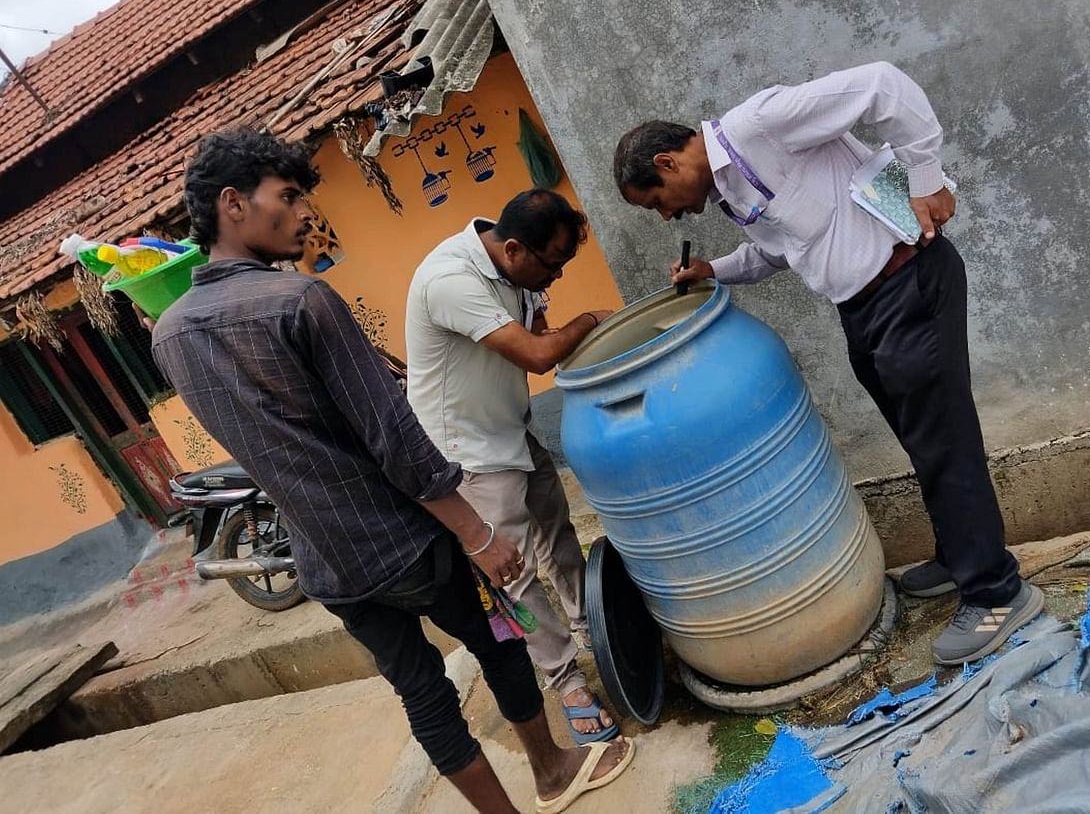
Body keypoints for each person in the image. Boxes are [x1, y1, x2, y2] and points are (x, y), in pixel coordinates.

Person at [152, 128, 632, 814]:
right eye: (285, 198)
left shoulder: (169, 334)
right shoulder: (300, 301)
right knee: (498, 639)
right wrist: (477, 536)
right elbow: (393, 436)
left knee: (422, 694)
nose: (304, 215)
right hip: (408, 544)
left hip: (327, 562)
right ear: (233, 204)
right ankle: (553, 770)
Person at [612, 61, 1043, 665]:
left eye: (656, 202)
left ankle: (998, 592)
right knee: (921, 439)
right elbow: (779, 252)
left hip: (908, 280)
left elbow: (883, 86)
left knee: (944, 442)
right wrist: (716, 271)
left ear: (667, 164)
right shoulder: (734, 189)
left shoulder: (758, 125)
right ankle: (960, 553)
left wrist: (925, 178)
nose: (667, 216)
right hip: (862, 309)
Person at [405, 189, 618, 745]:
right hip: (468, 456)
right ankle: (566, 679)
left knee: (558, 532)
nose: (557, 276)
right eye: (553, 264)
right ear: (516, 249)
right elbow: (537, 353)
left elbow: (541, 329)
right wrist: (592, 318)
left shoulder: (519, 269)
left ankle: (590, 624)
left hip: (512, 427)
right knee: (514, 573)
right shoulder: (450, 280)